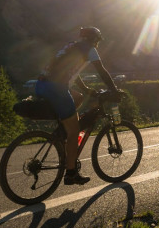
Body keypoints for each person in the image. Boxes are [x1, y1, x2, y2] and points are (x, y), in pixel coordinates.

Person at [36, 26, 120, 185]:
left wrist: (85, 89)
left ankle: (63, 131)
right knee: (74, 131)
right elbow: (102, 71)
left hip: (41, 84)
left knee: (78, 97)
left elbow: (73, 71)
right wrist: (114, 90)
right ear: (95, 40)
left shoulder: (71, 46)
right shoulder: (89, 49)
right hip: (56, 88)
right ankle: (71, 173)